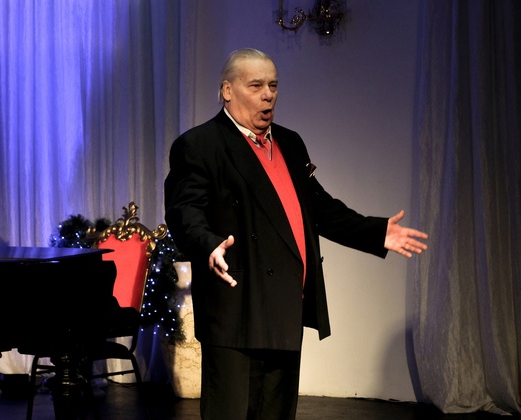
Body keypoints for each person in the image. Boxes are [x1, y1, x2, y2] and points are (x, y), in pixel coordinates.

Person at [164, 48, 428, 420]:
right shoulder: (201, 144)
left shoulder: (289, 142)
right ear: (227, 90)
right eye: (256, 86)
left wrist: (374, 232)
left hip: (286, 304)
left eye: (273, 86)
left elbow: (319, 208)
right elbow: (184, 211)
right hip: (237, 305)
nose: (268, 95)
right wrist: (207, 245)